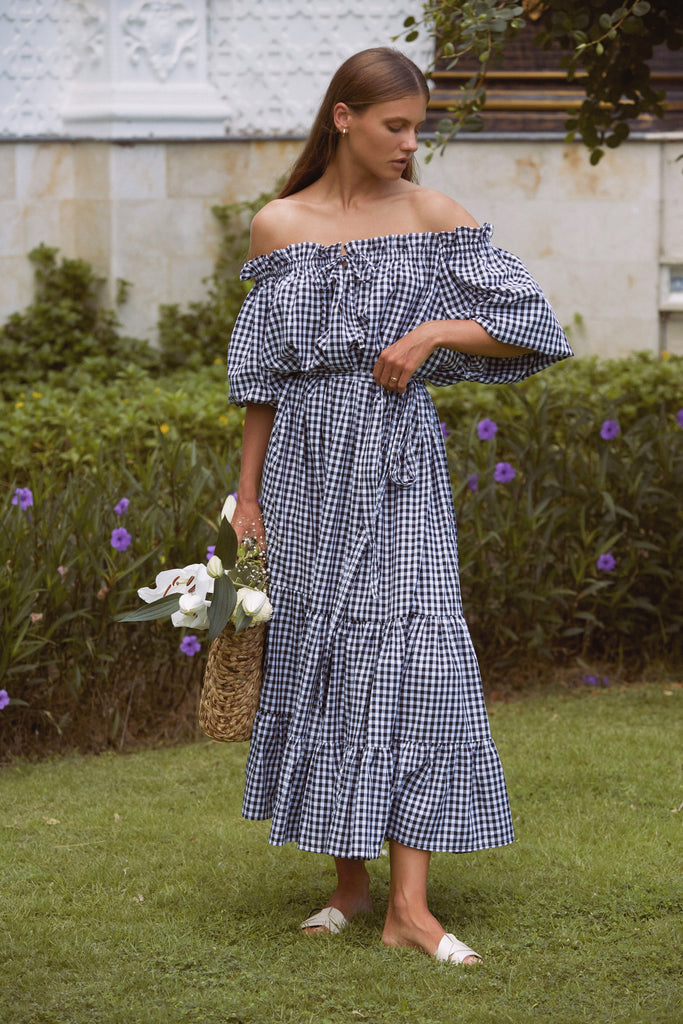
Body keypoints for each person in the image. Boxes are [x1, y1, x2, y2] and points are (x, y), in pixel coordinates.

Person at [227, 47, 572, 966]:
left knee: (418, 655)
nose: (411, 145)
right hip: (303, 469)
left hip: (396, 465)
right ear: (342, 118)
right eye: (395, 126)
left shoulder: (433, 216)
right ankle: (349, 884)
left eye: (417, 127)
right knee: (330, 656)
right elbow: (260, 377)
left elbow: (533, 325)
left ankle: (408, 909)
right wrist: (246, 496)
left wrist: (431, 330)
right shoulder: (278, 226)